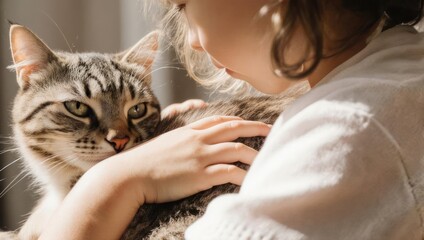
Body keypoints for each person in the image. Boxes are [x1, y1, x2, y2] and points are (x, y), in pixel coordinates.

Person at [40, 0, 424, 239]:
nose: (189, 42)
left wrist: (112, 181)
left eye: (182, 5)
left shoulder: (346, 131)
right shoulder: (396, 79)